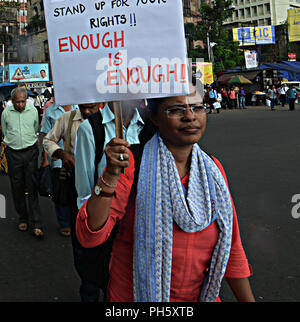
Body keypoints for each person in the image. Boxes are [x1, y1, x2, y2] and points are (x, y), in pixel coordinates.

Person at [76, 84, 255, 302]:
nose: (189, 116)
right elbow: (90, 234)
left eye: (197, 107)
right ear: (153, 117)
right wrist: (110, 177)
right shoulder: (131, 164)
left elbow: (232, 248)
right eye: (176, 110)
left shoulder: (213, 171)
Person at [42, 102, 101, 302]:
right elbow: (48, 140)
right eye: (83, 107)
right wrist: (61, 153)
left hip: (104, 188)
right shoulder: (66, 119)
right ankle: (88, 290)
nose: (86, 112)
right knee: (82, 241)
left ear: (100, 104)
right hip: (75, 185)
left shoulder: (111, 122)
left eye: (91, 108)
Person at [1, 87, 43, 238]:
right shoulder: (6, 113)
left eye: (23, 101)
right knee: (17, 187)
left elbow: (35, 127)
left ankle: (37, 222)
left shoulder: (33, 111)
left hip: (30, 152)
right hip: (13, 154)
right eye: (17, 102)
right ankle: (23, 218)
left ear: (26, 100)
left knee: (32, 186)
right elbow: (5, 132)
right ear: (12, 101)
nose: (20, 104)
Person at [41, 100, 77, 236]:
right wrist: (45, 158)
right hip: (58, 161)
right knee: (61, 192)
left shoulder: (81, 108)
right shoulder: (51, 111)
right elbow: (46, 136)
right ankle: (64, 223)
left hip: (79, 160)